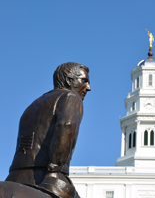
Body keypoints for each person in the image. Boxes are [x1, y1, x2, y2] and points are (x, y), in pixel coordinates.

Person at [5, 62, 91, 198]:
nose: (89, 87)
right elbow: (66, 126)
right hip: (44, 177)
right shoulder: (71, 97)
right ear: (69, 80)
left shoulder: (31, 107)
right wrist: (54, 170)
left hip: (14, 177)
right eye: (84, 81)